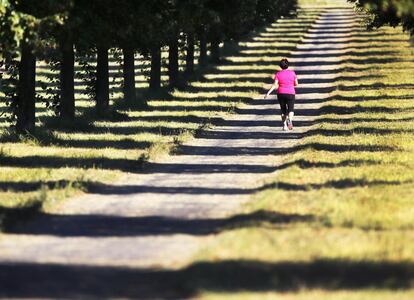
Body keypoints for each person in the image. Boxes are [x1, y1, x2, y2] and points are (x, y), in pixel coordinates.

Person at [264, 58, 298, 131]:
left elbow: (274, 85)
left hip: (281, 93)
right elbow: (296, 83)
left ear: (280, 66)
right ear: (288, 65)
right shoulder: (292, 73)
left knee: (283, 110)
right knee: (291, 109)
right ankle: (290, 120)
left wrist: (268, 93)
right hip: (290, 93)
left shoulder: (278, 74)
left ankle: (284, 126)